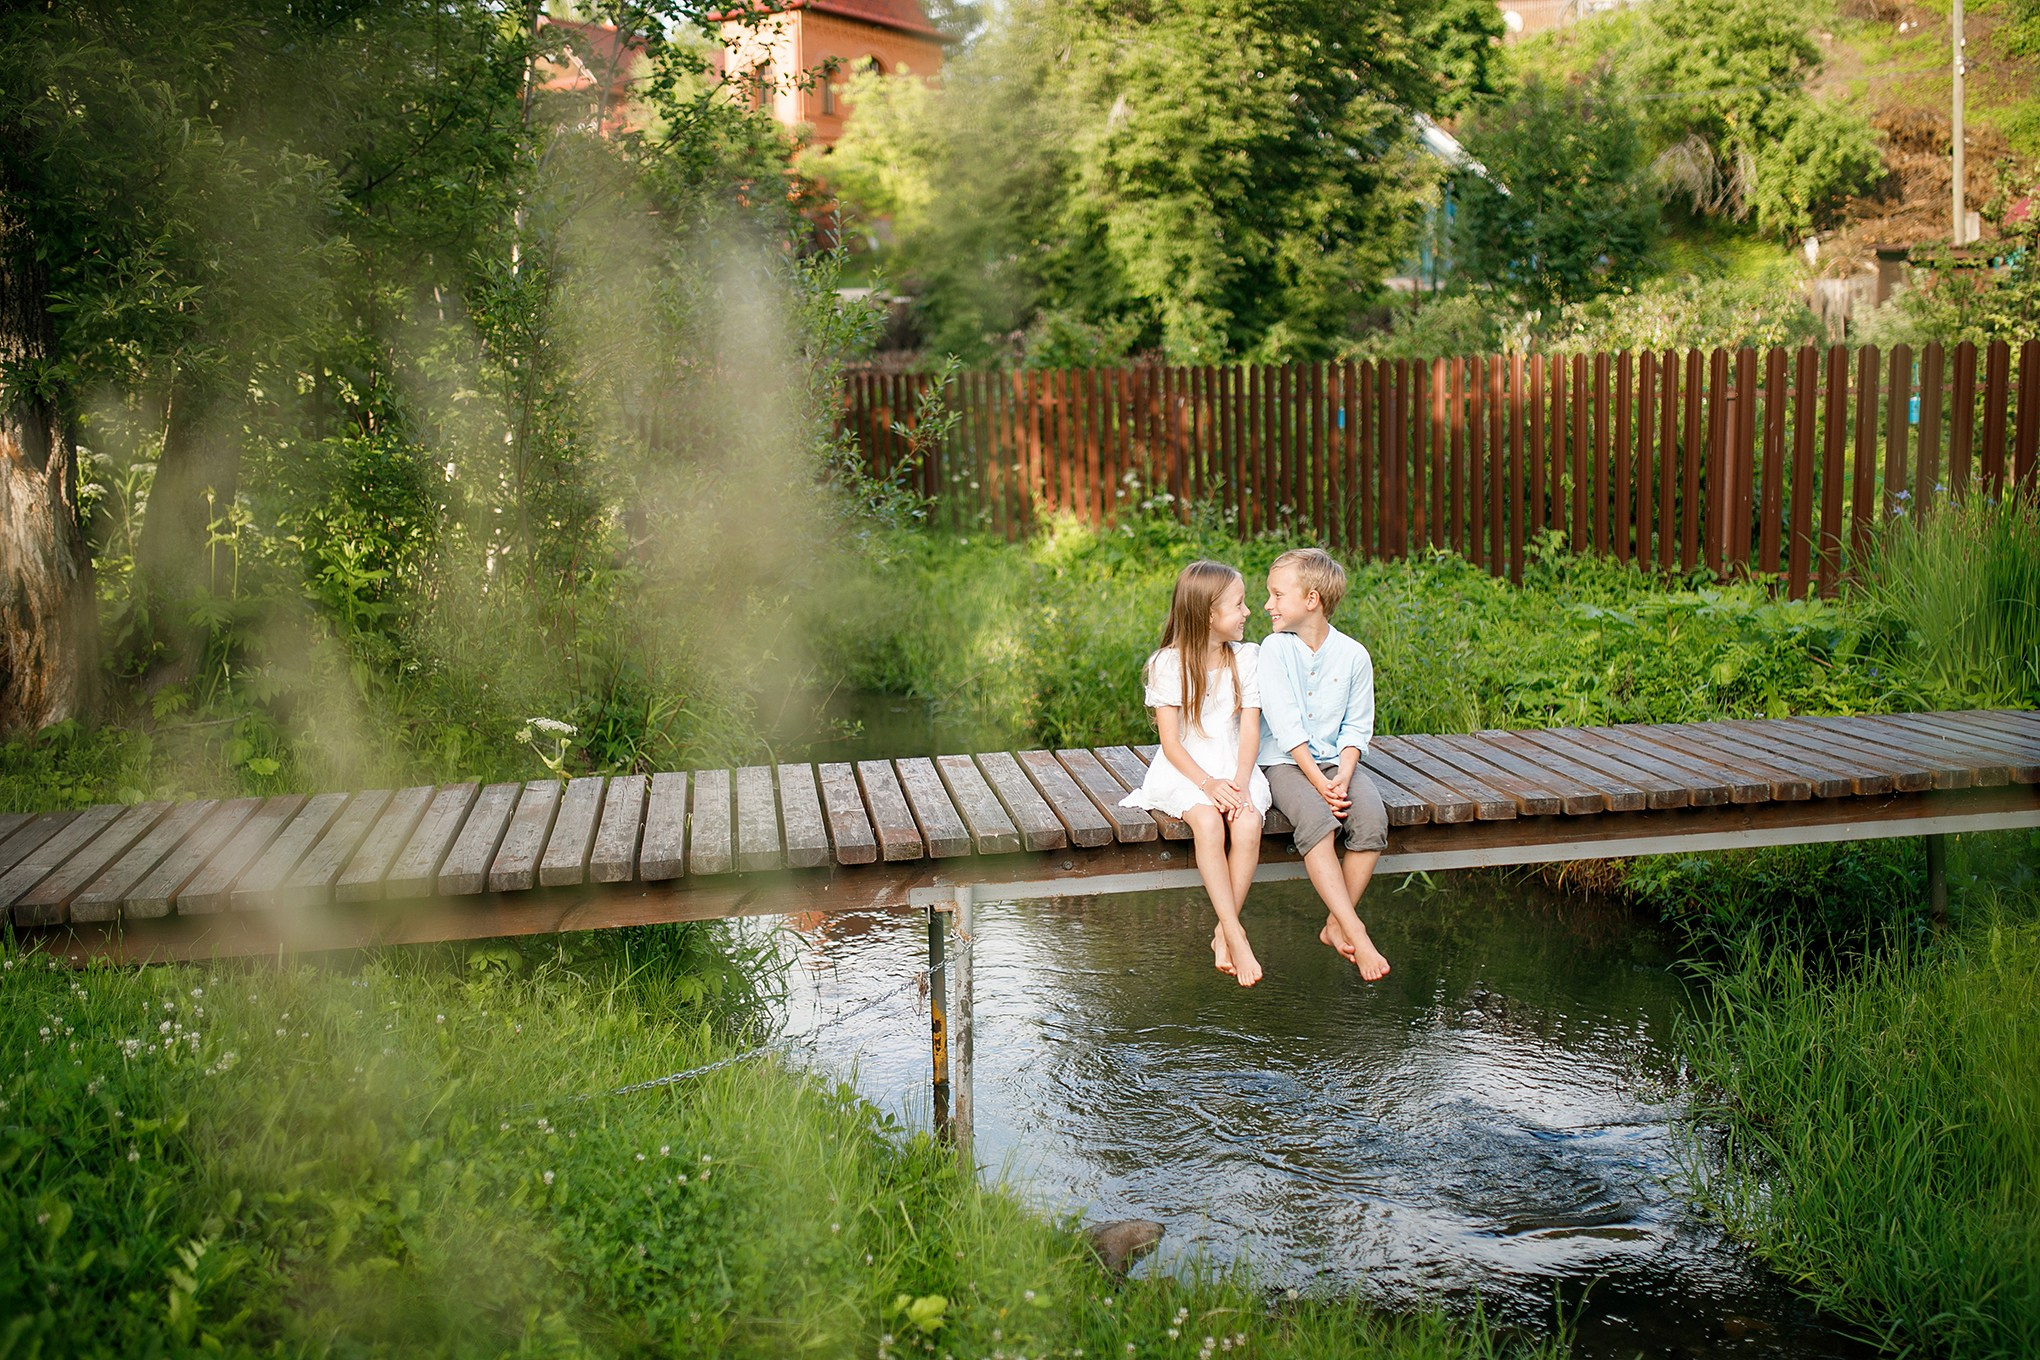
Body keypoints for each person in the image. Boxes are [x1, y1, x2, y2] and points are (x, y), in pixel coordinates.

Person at [1121, 560, 1272, 987]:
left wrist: (1240, 782)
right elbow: (1171, 744)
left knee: (1247, 822)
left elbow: (1249, 729)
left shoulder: (1247, 657)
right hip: (1186, 767)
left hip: (1235, 763)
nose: (1247, 612)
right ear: (1208, 614)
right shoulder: (1167, 664)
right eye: (1238, 604)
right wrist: (1208, 784)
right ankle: (1237, 934)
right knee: (1208, 821)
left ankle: (1223, 931)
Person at [1258, 548, 1392, 981]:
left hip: (1337, 763)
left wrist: (1344, 775)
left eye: (1278, 595)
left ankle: (1335, 923)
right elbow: (1285, 725)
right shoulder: (1274, 650)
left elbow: (1357, 727)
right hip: (1285, 762)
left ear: (1311, 600)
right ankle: (1356, 930)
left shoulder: (1354, 655)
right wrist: (1320, 783)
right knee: (1318, 821)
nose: (1268, 605)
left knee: (1371, 820)